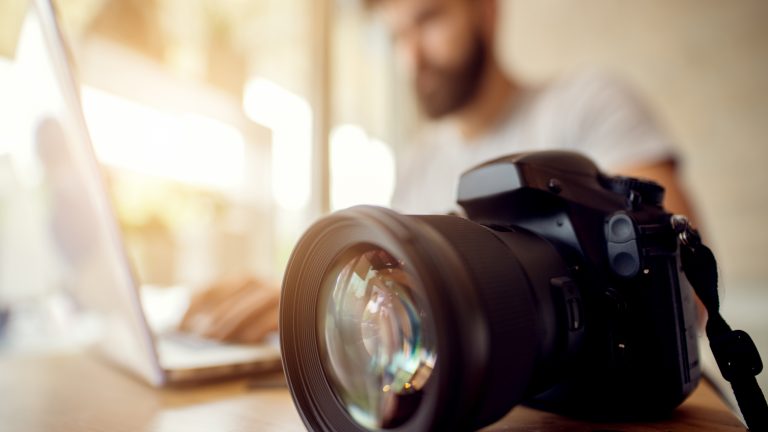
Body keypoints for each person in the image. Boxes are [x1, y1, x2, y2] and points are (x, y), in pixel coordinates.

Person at [181, 0, 697, 342]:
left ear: (487, 11)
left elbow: (684, 291)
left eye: (428, 20)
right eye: (396, 35)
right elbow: (392, 297)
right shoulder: (418, 161)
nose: (412, 57)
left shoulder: (587, 104)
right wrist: (311, 300)